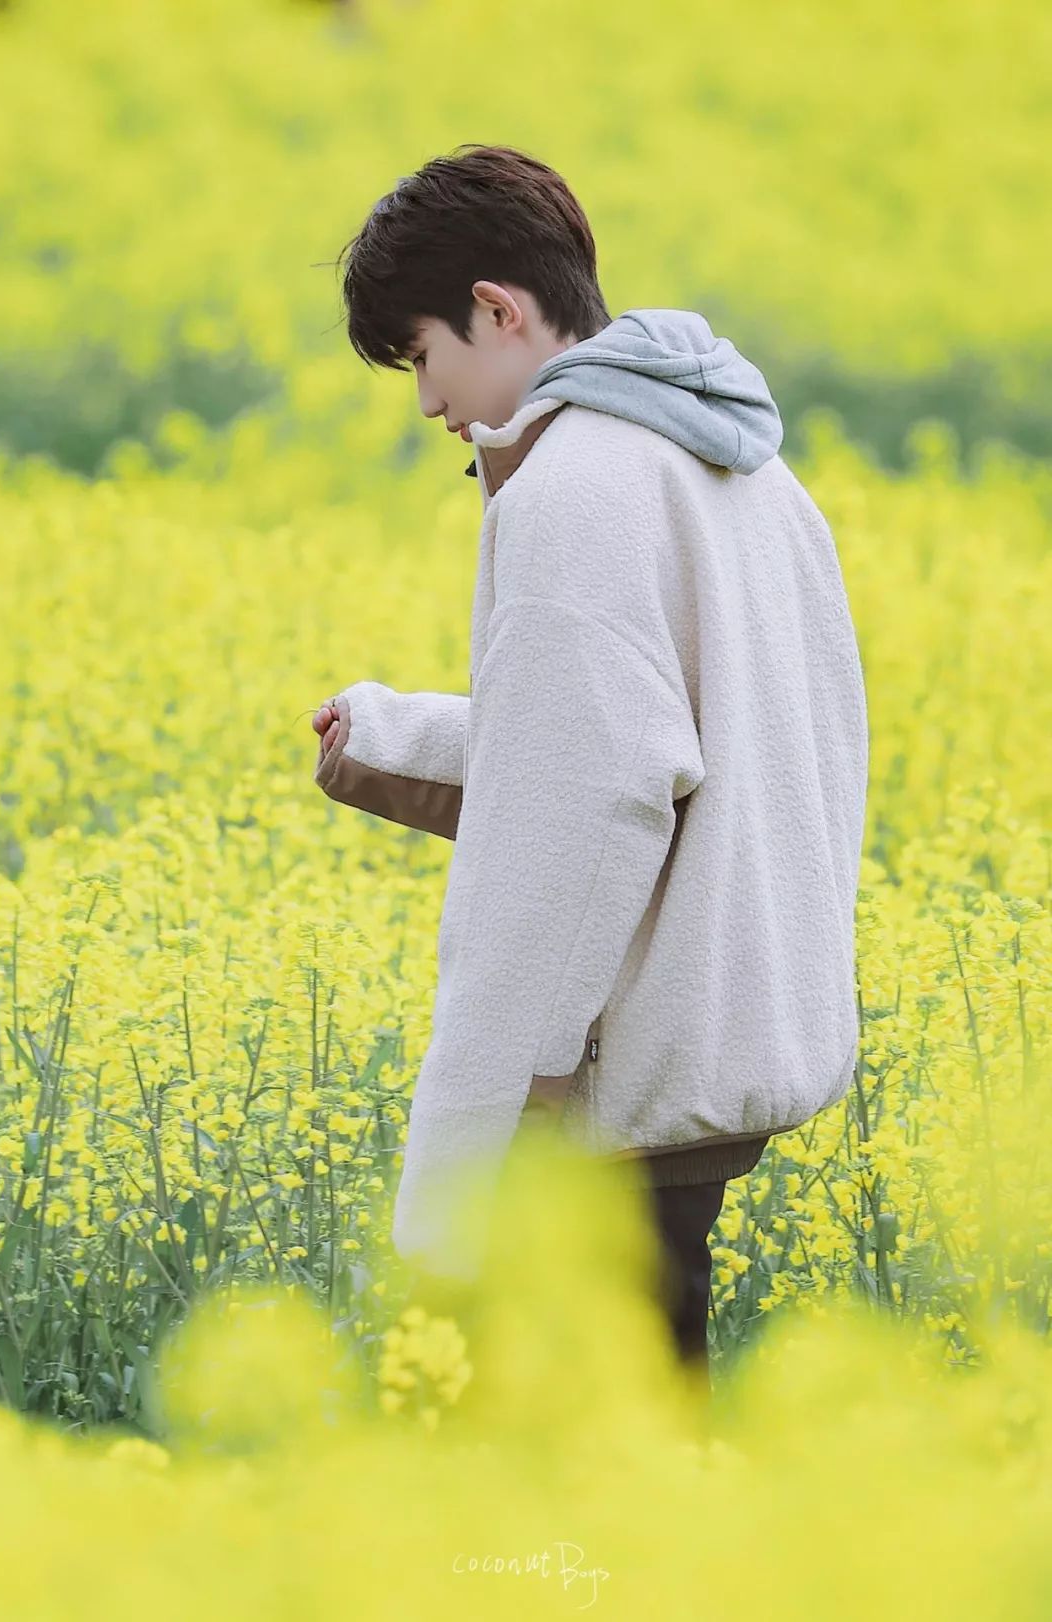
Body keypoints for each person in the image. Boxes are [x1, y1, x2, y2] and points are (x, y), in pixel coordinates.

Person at [310, 143, 868, 1361]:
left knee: (576, 1474)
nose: (425, 402)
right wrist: (396, 737)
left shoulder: (575, 490)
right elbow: (694, 739)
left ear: (497, 310)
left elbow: (590, 807)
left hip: (615, 1086)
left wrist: (494, 1124)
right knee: (650, 1423)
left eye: (420, 355)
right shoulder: (748, 469)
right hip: (722, 1033)